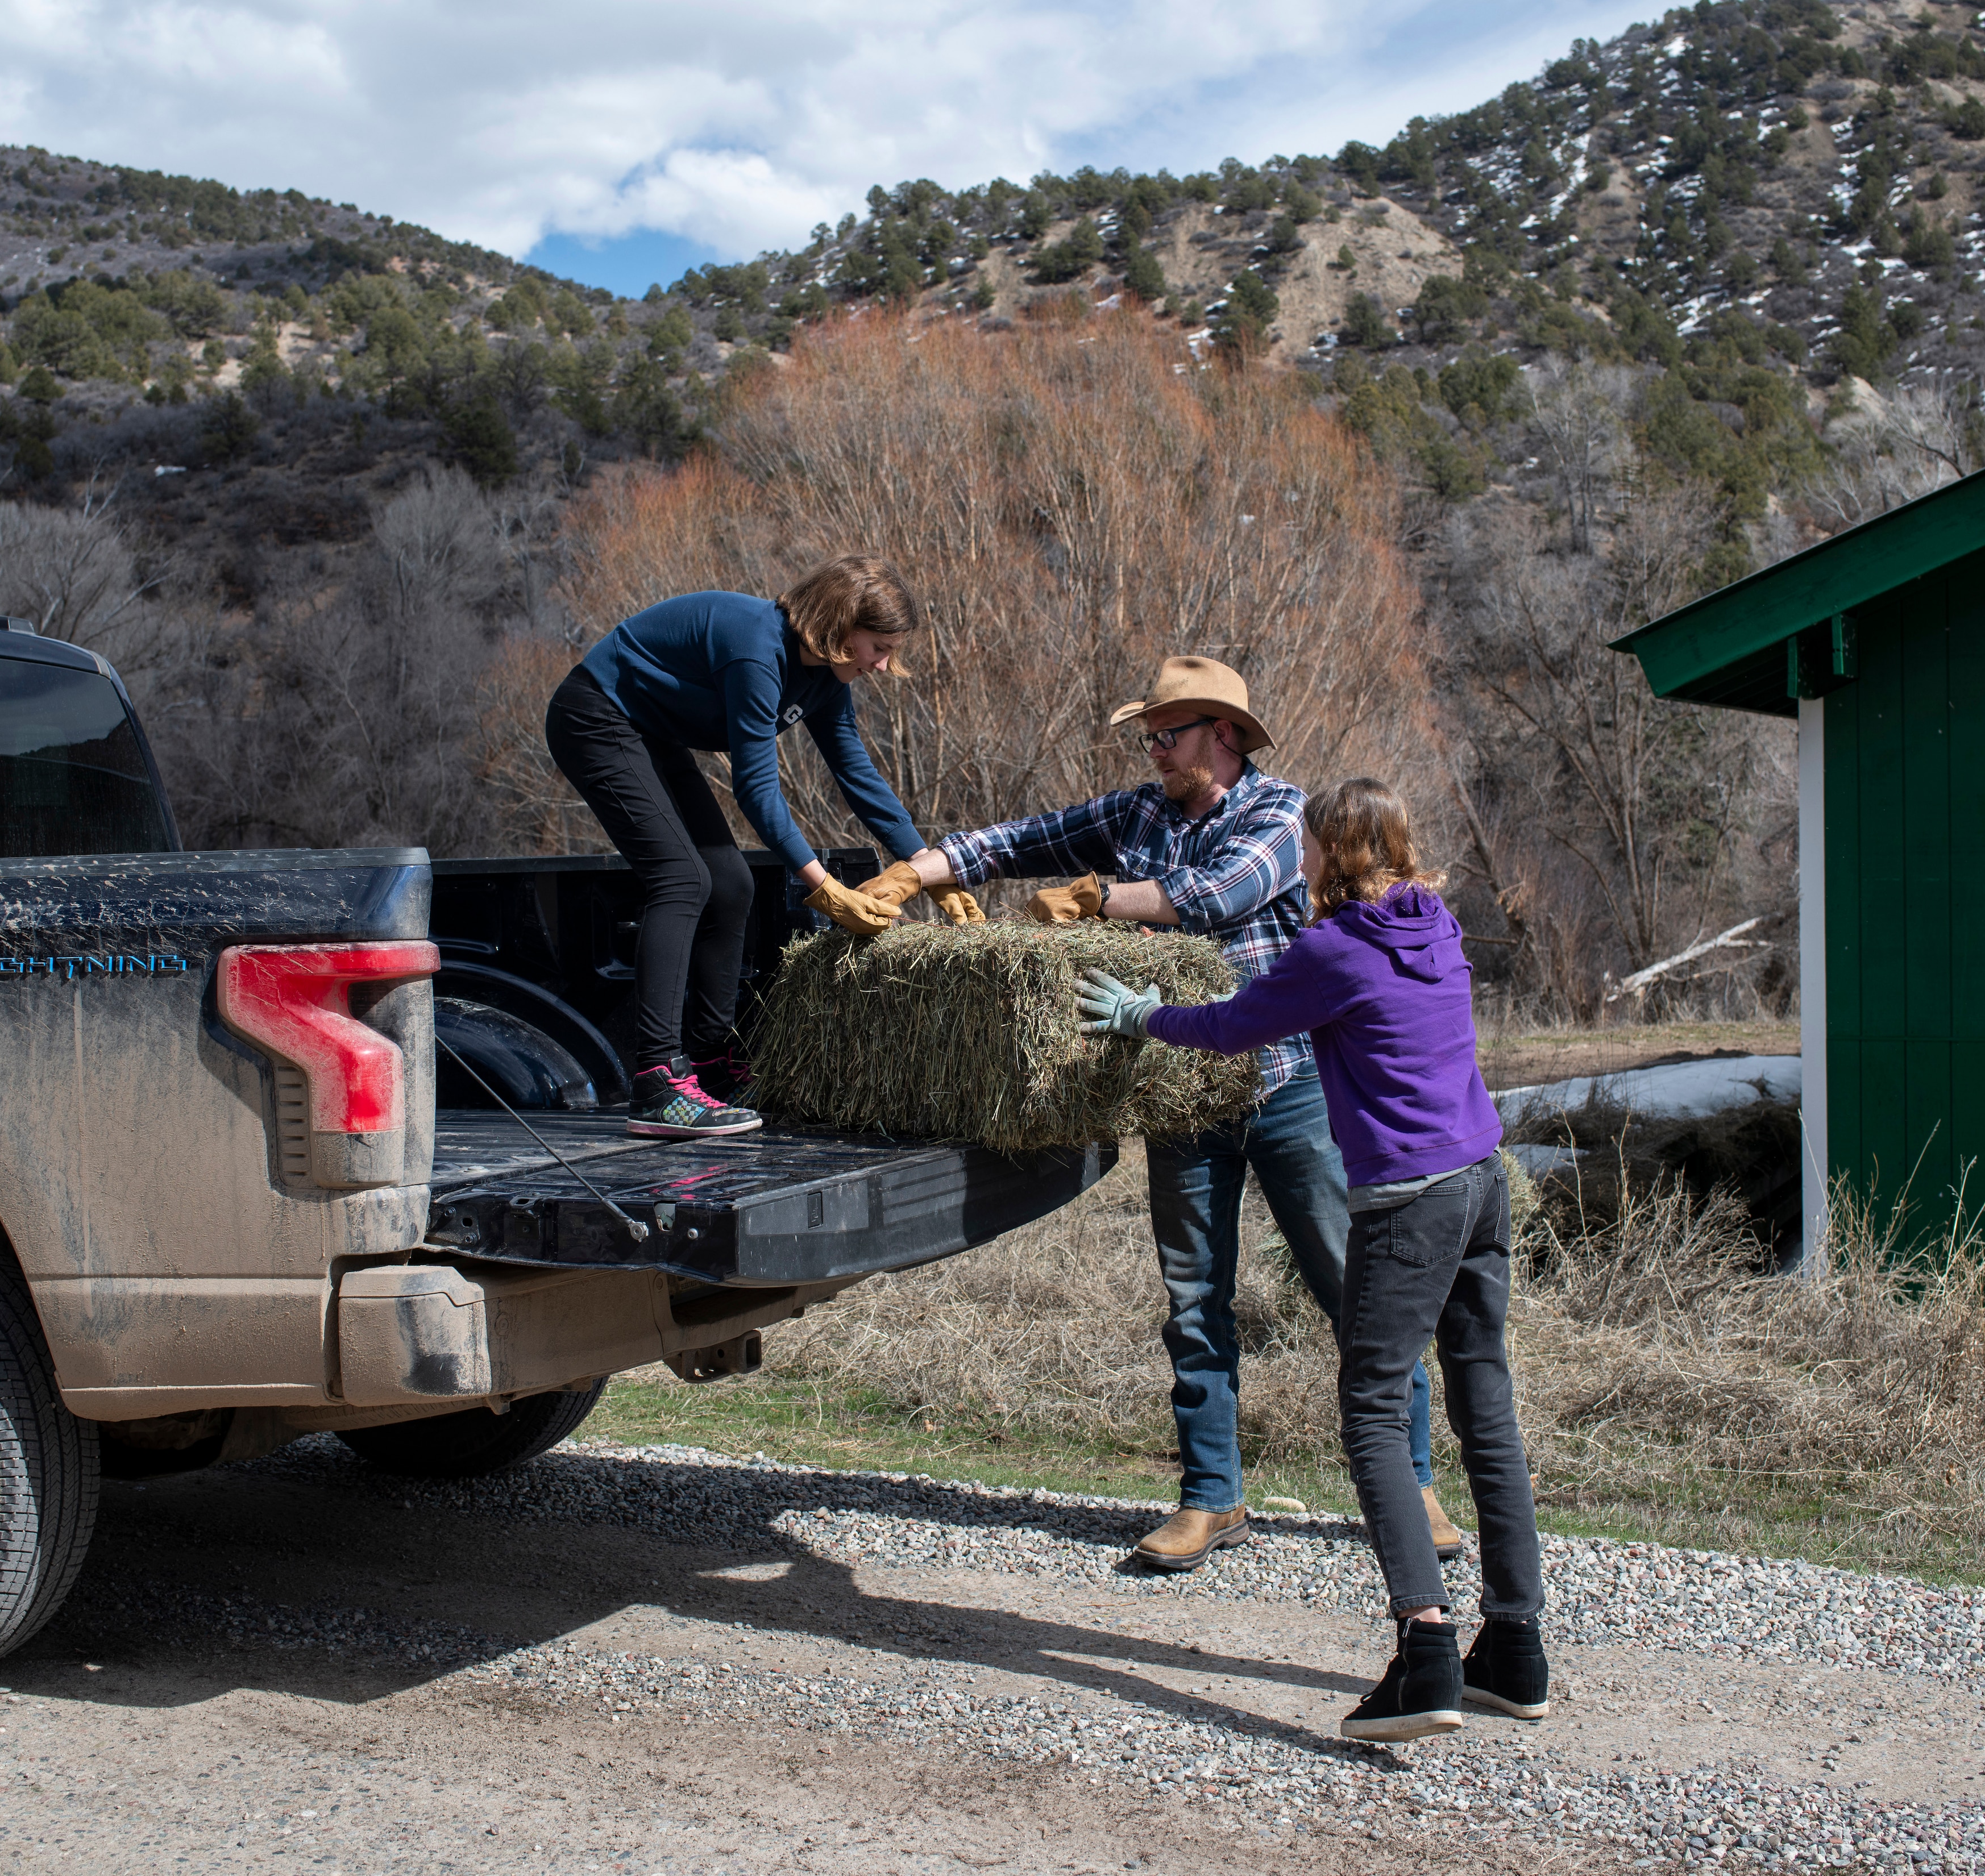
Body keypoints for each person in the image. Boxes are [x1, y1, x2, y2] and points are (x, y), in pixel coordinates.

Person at [904, 658, 1455, 1573]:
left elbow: (1217, 898)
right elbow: (1015, 839)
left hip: (1285, 1090)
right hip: (1177, 1093)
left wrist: (1096, 899)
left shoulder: (1285, 814)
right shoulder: (1137, 814)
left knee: (1351, 1291)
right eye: (1149, 736)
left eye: (1170, 734)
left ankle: (1414, 1481)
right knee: (1196, 1303)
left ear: (1224, 736)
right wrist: (909, 872)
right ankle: (1211, 1497)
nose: (1155, 750)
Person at [1074, 776, 1547, 1740]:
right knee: (1485, 1404)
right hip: (1482, 1182)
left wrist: (1139, 1015)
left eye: (1312, 846)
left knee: (1371, 1409)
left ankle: (1423, 1654)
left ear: (1330, 851)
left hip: (1410, 1200)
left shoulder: (1333, 949)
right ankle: (1515, 1647)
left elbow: (1232, 1025)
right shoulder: (1439, 924)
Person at [546, 556, 979, 1139]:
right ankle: (655, 1082)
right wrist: (823, 888)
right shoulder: (757, 649)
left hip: (651, 734)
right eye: (877, 647)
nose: (881, 665)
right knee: (681, 879)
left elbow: (859, 778)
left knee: (730, 885)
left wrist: (935, 875)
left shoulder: (826, 677)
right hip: (595, 717)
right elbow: (755, 788)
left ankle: (709, 1064)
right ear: (839, 625)